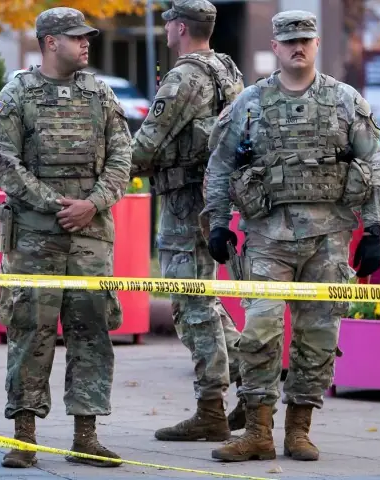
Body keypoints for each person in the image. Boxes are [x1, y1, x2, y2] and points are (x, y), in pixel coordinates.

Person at [201, 11, 380, 462]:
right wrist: (216, 223)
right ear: (275, 46)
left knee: (318, 337)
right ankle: (257, 432)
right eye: (289, 41)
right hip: (267, 236)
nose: (297, 48)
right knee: (261, 332)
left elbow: (375, 164)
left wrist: (374, 229)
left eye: (305, 39)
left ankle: (299, 430)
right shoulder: (250, 102)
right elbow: (220, 167)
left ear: (316, 43)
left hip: (329, 238)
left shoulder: (346, 100)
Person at [0, 7, 132, 470]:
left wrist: (93, 203)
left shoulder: (100, 93)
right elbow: (0, 160)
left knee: (91, 332)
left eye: (87, 37)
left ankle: (85, 435)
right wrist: (53, 203)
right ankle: (24, 436)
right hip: (34, 236)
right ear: (49, 42)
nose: (86, 44)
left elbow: (123, 156)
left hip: (91, 236)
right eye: (76, 38)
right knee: (31, 330)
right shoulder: (17, 94)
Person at [130, 0, 249, 443]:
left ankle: (210, 408)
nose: (164, 32)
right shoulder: (228, 70)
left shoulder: (184, 76)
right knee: (207, 301)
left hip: (184, 204)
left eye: (167, 25)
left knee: (191, 303)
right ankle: (257, 386)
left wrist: (104, 175)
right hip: (216, 202)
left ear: (180, 28)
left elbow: (147, 144)